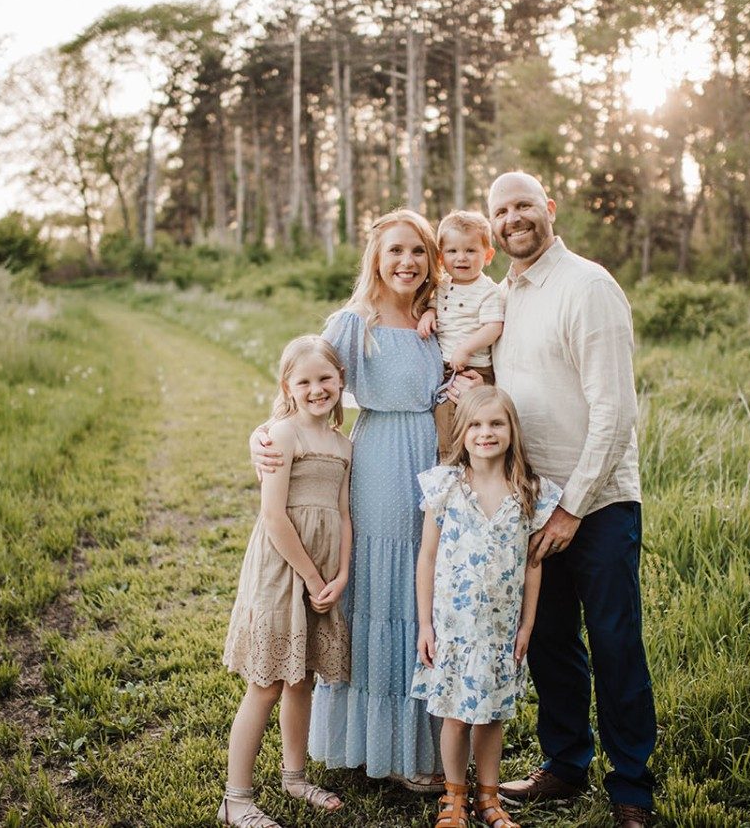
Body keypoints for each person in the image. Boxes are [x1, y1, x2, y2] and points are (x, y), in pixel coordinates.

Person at [456, 172, 657, 828]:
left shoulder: (587, 287)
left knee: (614, 642)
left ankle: (631, 787)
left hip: (596, 505)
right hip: (532, 504)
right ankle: (566, 764)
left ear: (549, 209)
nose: (514, 217)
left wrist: (574, 506)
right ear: (493, 226)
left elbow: (615, 410)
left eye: (523, 205)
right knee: (547, 641)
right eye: (501, 210)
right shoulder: (507, 296)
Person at [252, 209, 447, 790]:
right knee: (380, 589)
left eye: (417, 250)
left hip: (435, 458)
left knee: (425, 593)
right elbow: (301, 389)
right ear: (376, 259)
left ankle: (420, 747)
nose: (406, 262)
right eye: (395, 251)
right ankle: (370, 744)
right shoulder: (351, 323)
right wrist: (260, 439)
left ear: (430, 258)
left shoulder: (441, 315)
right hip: (380, 460)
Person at [219, 335, 354, 828]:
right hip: (283, 569)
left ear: (341, 381)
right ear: (288, 386)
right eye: (305, 381)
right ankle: (236, 798)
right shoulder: (283, 435)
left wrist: (339, 575)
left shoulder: (343, 444)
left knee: (304, 679)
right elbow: (274, 517)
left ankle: (294, 776)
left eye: (326, 379)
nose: (317, 389)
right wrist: (313, 575)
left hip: (321, 574)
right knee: (269, 682)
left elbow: (343, 513)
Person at [411, 386, 561, 828]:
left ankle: (489, 799)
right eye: (475, 424)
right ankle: (454, 798)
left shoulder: (529, 491)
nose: (485, 433)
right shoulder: (446, 486)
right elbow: (428, 557)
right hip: (453, 628)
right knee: (455, 717)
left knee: (491, 717)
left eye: (496, 423)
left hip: (499, 630)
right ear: (462, 432)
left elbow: (533, 566)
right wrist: (425, 624)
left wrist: (527, 626)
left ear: (512, 430)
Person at [416, 211, 505, 459]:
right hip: (444, 365)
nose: (461, 258)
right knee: (439, 414)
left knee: (450, 414)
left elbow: (493, 327)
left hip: (471, 367)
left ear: (487, 256)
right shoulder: (442, 285)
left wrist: (465, 349)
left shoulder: (488, 291)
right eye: (453, 251)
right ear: (441, 257)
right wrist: (428, 314)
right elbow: (437, 306)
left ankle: (449, 461)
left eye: (470, 250)